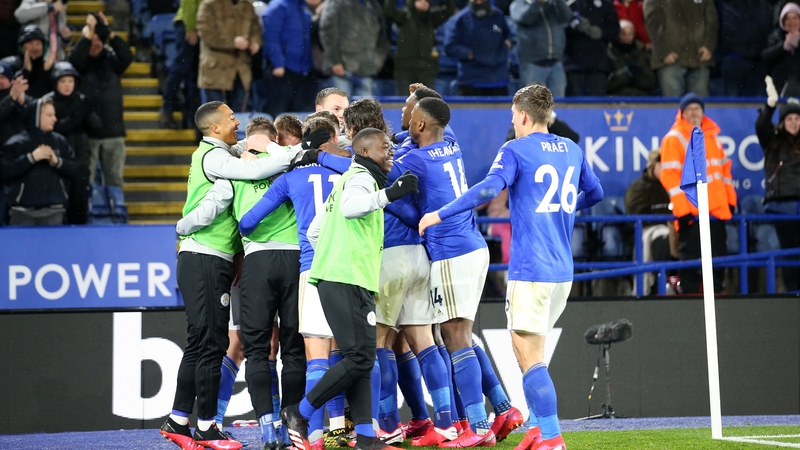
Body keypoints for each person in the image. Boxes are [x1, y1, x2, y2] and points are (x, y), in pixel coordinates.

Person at [418, 83, 603, 450]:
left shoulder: (516, 149)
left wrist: (440, 212)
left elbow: (488, 190)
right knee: (533, 352)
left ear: (521, 115)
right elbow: (595, 193)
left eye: (512, 117)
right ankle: (537, 428)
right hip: (562, 271)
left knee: (528, 356)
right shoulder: (571, 149)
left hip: (531, 268)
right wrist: (560, 212)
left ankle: (551, 436)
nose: (513, 122)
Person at [159, 101, 305, 450]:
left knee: (201, 343)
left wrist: (255, 146)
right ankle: (207, 428)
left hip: (210, 257)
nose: (236, 122)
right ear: (213, 128)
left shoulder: (219, 153)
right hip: (206, 256)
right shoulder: (219, 163)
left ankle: (179, 419)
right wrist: (182, 226)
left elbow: (245, 147)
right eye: (229, 118)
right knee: (211, 344)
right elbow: (223, 196)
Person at [281, 128, 419, 450]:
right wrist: (390, 195)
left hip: (340, 277)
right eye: (385, 147)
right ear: (367, 151)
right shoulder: (361, 178)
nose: (391, 152)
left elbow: (316, 230)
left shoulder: (346, 180)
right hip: (347, 279)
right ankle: (299, 412)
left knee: (362, 358)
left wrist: (332, 257)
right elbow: (350, 208)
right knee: (360, 358)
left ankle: (368, 439)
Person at [239, 117, 351, 450]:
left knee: (307, 352)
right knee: (344, 354)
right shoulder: (346, 172)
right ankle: (344, 428)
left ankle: (307, 434)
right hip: (346, 268)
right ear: (330, 142)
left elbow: (247, 222)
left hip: (309, 267)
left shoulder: (289, 178)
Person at [658, 93, 736, 295]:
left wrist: (730, 202)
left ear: (703, 112)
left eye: (697, 109)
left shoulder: (713, 138)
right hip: (691, 215)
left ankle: (718, 304)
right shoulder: (674, 138)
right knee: (691, 266)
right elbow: (670, 178)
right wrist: (683, 212)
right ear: (682, 113)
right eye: (689, 109)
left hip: (717, 213)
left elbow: (725, 174)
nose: (693, 113)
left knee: (718, 265)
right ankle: (689, 309)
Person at [67, 12, 132, 188]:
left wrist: (108, 33)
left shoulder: (111, 60)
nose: (95, 43)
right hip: (87, 134)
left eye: (98, 39)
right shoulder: (77, 65)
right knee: (85, 182)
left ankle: (115, 215)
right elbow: (74, 59)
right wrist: (88, 33)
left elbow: (127, 56)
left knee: (115, 182)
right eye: (91, 39)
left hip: (113, 133)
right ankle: (89, 215)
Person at [1, 96, 81, 225]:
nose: (54, 119)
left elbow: (76, 170)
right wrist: (31, 158)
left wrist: (57, 162)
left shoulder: (60, 141)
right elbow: (4, 172)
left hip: (54, 212)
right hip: (22, 213)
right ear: (36, 116)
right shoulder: (17, 143)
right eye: (49, 115)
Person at [757, 76, 800, 292]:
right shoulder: (773, 142)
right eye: (789, 118)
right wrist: (770, 105)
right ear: (782, 122)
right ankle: (793, 296)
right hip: (781, 206)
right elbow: (762, 126)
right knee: (790, 254)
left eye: (797, 118)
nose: (793, 122)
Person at [44, 61, 100, 224]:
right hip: (55, 160)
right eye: (63, 81)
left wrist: (89, 111)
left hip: (80, 159)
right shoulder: (47, 102)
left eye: (70, 81)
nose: (67, 85)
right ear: (55, 83)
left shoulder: (82, 101)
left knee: (79, 203)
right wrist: (78, 116)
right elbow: (55, 128)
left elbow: (97, 126)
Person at [196, 0, 262, 111]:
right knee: (214, 119)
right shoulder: (209, 5)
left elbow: (256, 31)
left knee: (238, 120)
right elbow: (207, 35)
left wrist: (255, 42)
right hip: (216, 72)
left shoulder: (247, 6)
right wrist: (232, 42)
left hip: (241, 71)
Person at [643, 0, 718, 97]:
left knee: (700, 105)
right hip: (669, 60)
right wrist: (664, 52)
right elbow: (653, 25)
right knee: (673, 105)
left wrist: (709, 45)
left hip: (699, 58)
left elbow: (712, 21)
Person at [624, 149, 672, 295]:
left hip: (672, 228)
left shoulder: (671, 186)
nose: (665, 169)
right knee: (661, 241)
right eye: (662, 165)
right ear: (653, 166)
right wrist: (662, 215)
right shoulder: (638, 188)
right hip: (644, 232)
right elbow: (636, 215)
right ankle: (657, 287)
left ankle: (675, 285)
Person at [384, 0, 456, 94]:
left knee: (425, 104)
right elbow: (389, 10)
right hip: (404, 70)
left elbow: (450, 10)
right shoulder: (403, 17)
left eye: (426, 1)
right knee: (405, 102)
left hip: (427, 70)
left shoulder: (432, 19)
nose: (423, 3)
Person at [444, 0, 513, 96]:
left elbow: (510, 36)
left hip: (498, 78)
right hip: (471, 79)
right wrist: (469, 54)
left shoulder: (498, 15)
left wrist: (507, 45)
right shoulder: (460, 19)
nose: (479, 2)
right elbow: (450, 46)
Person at [319, 0, 388, 97]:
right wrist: (335, 61)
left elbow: (383, 35)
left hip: (366, 70)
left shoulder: (372, 4)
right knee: (340, 109)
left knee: (365, 110)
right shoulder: (335, 2)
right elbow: (327, 33)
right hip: (342, 71)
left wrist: (377, 60)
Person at [261, 0, 316, 117]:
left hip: (303, 71)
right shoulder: (277, 7)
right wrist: (278, 64)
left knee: (300, 116)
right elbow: (271, 38)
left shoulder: (303, 10)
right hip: (282, 71)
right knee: (277, 114)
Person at [509, 0, 573, 98]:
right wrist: (538, 3)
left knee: (558, 102)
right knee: (532, 102)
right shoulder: (518, 4)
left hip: (556, 62)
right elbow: (526, 18)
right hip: (532, 63)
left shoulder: (553, 4)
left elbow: (567, 17)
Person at [158, 0, 201, 129]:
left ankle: (192, 117)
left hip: (198, 26)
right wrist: (190, 27)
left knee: (193, 73)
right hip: (188, 25)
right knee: (181, 68)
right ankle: (167, 108)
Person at [563, 0, 619, 96]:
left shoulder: (606, 4)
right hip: (573, 64)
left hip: (598, 65)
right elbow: (557, 27)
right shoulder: (569, 3)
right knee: (575, 104)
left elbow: (615, 29)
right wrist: (573, 26)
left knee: (597, 104)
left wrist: (602, 32)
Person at [717, 0, 772, 97]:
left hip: (758, 62)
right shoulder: (727, 4)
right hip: (733, 59)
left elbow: (766, 29)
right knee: (731, 102)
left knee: (758, 103)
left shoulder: (764, 5)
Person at [607, 19, 656, 96]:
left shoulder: (641, 52)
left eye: (630, 34)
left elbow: (649, 82)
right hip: (616, 98)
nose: (627, 37)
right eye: (623, 34)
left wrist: (635, 76)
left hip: (640, 97)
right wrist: (626, 74)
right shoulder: (610, 53)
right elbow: (608, 85)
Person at [763, 2, 800, 97]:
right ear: (782, 21)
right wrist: (784, 46)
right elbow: (766, 56)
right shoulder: (776, 36)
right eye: (787, 18)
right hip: (780, 85)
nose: (792, 22)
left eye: (795, 18)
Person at [14, 24, 56, 99]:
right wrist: (26, 71)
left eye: (38, 43)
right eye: (30, 44)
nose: (35, 48)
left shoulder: (50, 66)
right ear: (21, 46)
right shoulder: (11, 64)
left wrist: (47, 72)